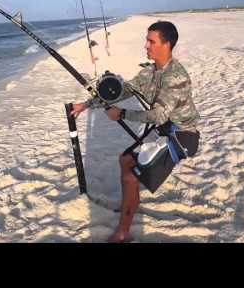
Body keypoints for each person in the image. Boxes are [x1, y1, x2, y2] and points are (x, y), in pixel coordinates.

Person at [70, 21, 200, 243]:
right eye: (146, 40)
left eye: (151, 41)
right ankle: (130, 204)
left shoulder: (175, 77)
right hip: (165, 132)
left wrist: (121, 114)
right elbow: (121, 91)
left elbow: (159, 115)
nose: (146, 46)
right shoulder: (150, 71)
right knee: (125, 160)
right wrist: (85, 105)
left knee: (131, 176)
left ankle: (122, 233)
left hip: (182, 137)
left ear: (166, 45)